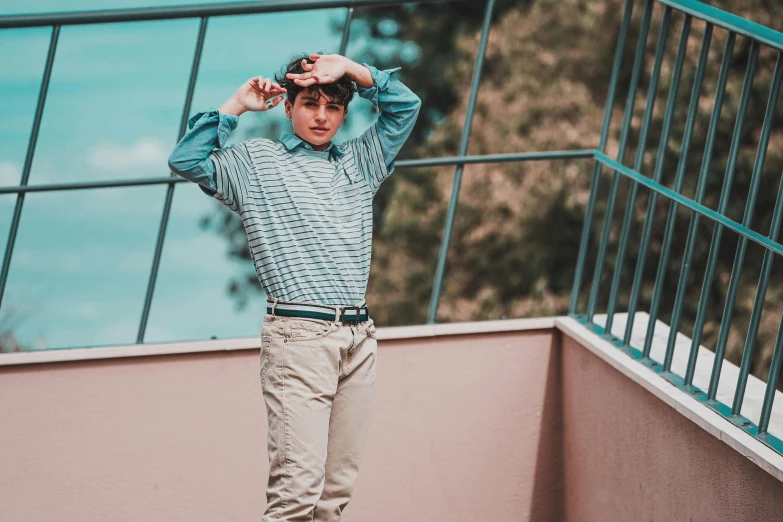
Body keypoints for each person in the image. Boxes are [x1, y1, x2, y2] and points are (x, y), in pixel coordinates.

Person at [167, 53, 421, 521]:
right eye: (310, 103)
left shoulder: (362, 161)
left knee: (334, 495)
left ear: (345, 112)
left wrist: (351, 68)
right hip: (299, 339)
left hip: (358, 339)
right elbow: (185, 159)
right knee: (296, 495)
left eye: (332, 106)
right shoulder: (254, 163)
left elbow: (405, 106)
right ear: (288, 106)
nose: (321, 116)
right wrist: (238, 105)